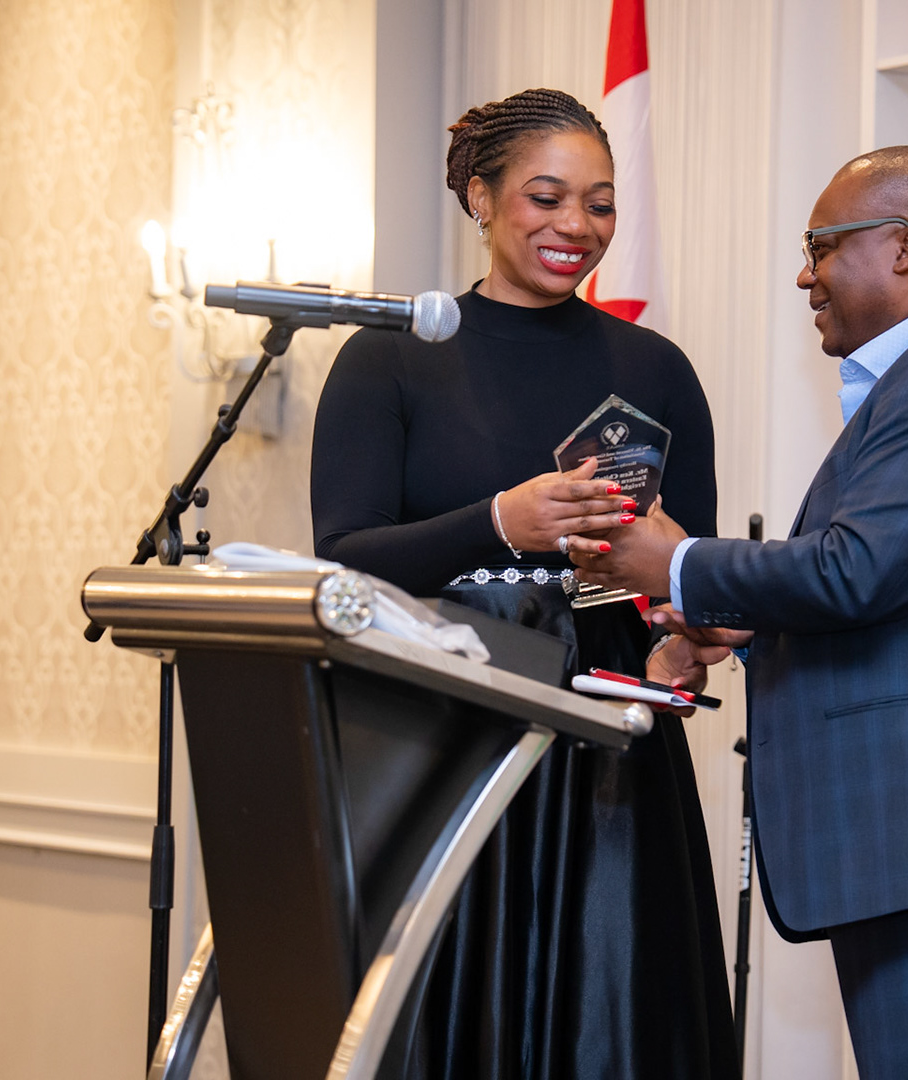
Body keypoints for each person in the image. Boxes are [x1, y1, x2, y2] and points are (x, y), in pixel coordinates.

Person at [571, 145, 908, 1080]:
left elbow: (858, 569)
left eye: (821, 246)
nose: (805, 274)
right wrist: (751, 627)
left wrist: (678, 562)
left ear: (904, 245)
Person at [310, 88, 738, 1079]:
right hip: (442, 744)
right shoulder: (389, 360)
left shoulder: (655, 369)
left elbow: (688, 574)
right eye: (547, 198)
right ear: (481, 197)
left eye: (600, 203)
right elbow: (344, 561)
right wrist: (499, 522)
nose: (576, 226)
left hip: (611, 752)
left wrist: (686, 636)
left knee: (612, 1023)